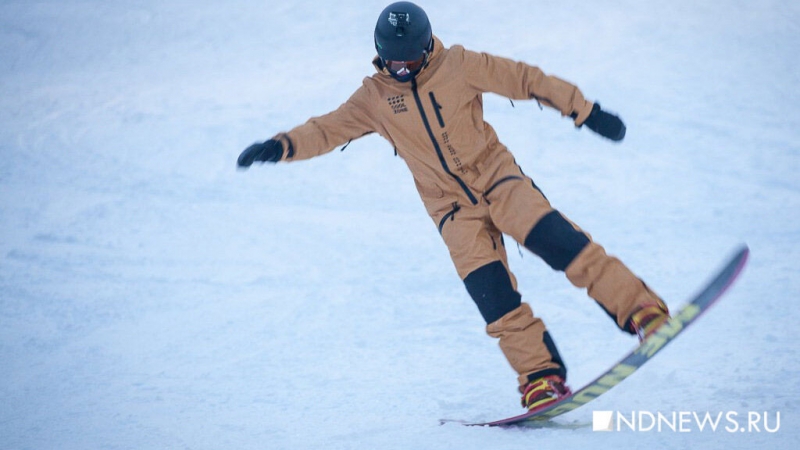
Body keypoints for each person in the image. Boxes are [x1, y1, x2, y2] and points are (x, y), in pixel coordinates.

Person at [238, 1, 669, 412]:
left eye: (410, 61)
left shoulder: (459, 65)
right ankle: (540, 377)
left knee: (564, 246)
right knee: (494, 298)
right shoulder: (373, 98)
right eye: (393, 63)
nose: (402, 70)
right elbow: (326, 129)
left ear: (428, 48)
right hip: (451, 212)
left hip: (500, 181)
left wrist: (585, 111)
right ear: (380, 56)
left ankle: (641, 311)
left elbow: (526, 79)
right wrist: (280, 146)